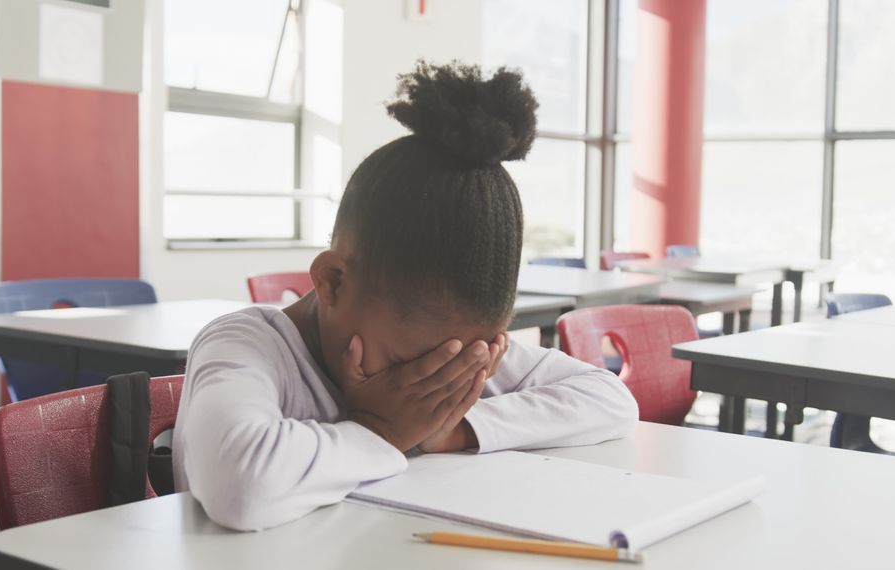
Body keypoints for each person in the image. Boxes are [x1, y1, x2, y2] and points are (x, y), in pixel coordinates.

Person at [172, 61, 639, 531]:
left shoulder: (448, 345)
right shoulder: (244, 345)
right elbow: (240, 487)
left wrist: (453, 429)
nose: (429, 383)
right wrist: (383, 428)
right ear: (332, 281)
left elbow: (610, 399)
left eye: (461, 366)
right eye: (402, 363)